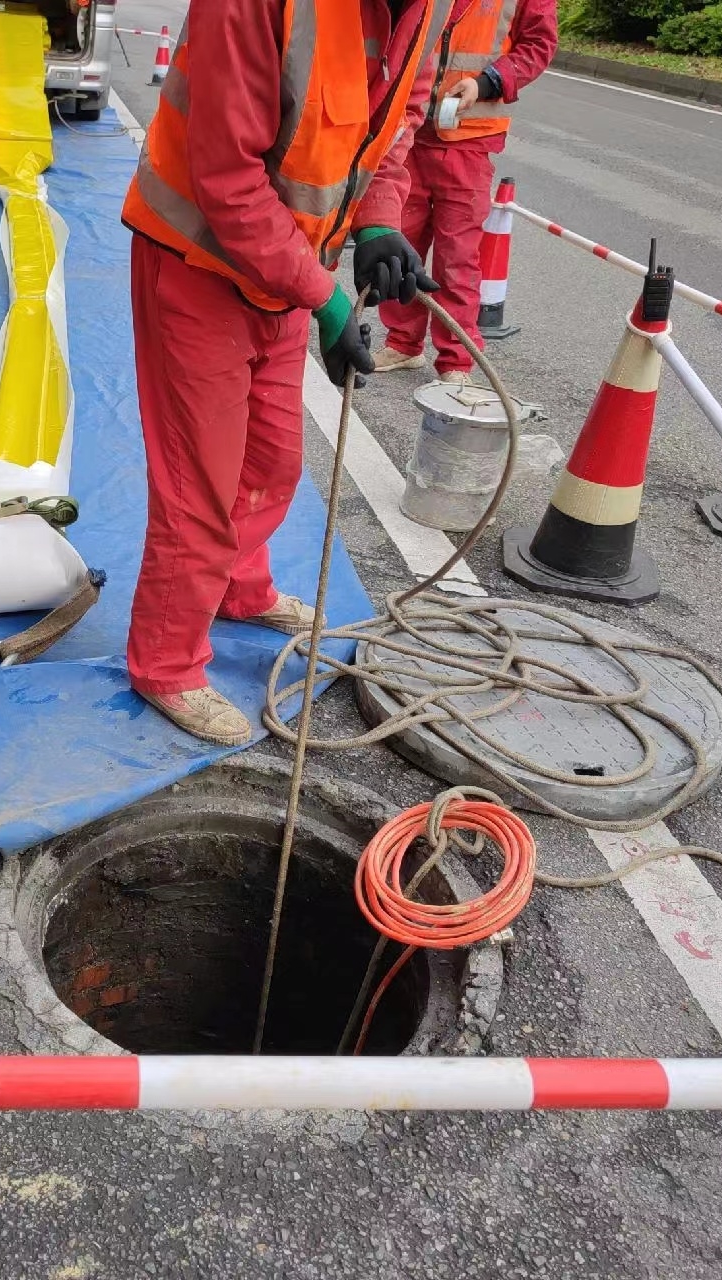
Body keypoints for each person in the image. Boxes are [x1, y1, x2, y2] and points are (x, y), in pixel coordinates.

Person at [120, 0, 449, 746]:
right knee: (199, 483)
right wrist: (325, 300)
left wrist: (377, 222)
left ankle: (241, 590)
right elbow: (226, 178)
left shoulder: (429, 8)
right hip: (196, 260)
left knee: (271, 456)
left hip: (284, 268)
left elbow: (391, 131)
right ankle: (165, 663)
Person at [370, 0, 558, 382]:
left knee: (458, 256)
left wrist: (485, 82)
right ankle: (403, 342)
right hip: (410, 128)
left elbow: (538, 43)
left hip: (469, 138)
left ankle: (456, 358)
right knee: (401, 242)